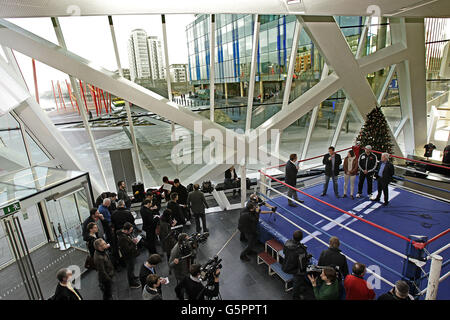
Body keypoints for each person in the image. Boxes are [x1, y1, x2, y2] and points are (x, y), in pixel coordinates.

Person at [282, 230, 313, 300]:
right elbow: (302, 264)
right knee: (300, 276)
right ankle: (296, 296)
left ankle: (301, 286)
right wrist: (307, 257)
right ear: (301, 238)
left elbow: (284, 252)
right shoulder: (300, 250)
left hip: (286, 264)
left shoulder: (287, 243)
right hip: (293, 269)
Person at [117, 222, 141, 289]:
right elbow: (127, 249)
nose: (131, 231)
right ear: (126, 230)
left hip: (130, 255)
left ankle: (133, 276)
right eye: (130, 230)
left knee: (132, 267)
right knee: (130, 269)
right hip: (128, 256)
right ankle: (132, 283)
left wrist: (132, 241)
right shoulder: (122, 238)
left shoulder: (125, 235)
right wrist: (134, 243)